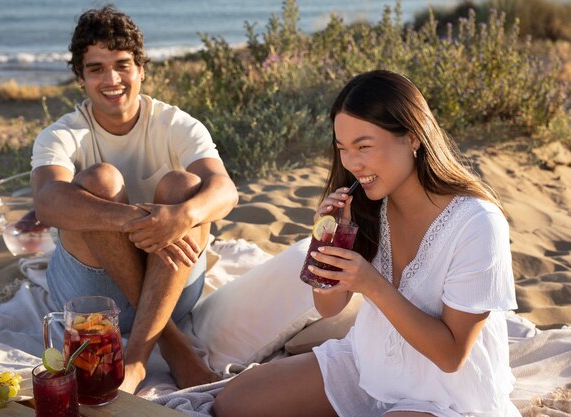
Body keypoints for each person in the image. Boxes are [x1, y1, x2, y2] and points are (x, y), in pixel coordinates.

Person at [213, 70, 520, 417]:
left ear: (413, 137)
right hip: (370, 364)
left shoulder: (477, 223)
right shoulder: (367, 204)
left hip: (443, 392)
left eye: (364, 146)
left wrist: (372, 286)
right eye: (343, 148)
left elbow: (451, 355)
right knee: (233, 402)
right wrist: (326, 242)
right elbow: (329, 308)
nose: (352, 163)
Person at [30, 6, 238, 394]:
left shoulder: (175, 123)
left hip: (172, 289)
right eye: (96, 68)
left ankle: (137, 358)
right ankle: (173, 345)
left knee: (183, 185)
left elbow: (225, 190)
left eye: (122, 65)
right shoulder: (62, 134)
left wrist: (182, 215)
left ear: (141, 69)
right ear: (80, 78)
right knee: (100, 181)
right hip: (91, 297)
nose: (112, 79)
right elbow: (47, 202)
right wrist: (132, 221)